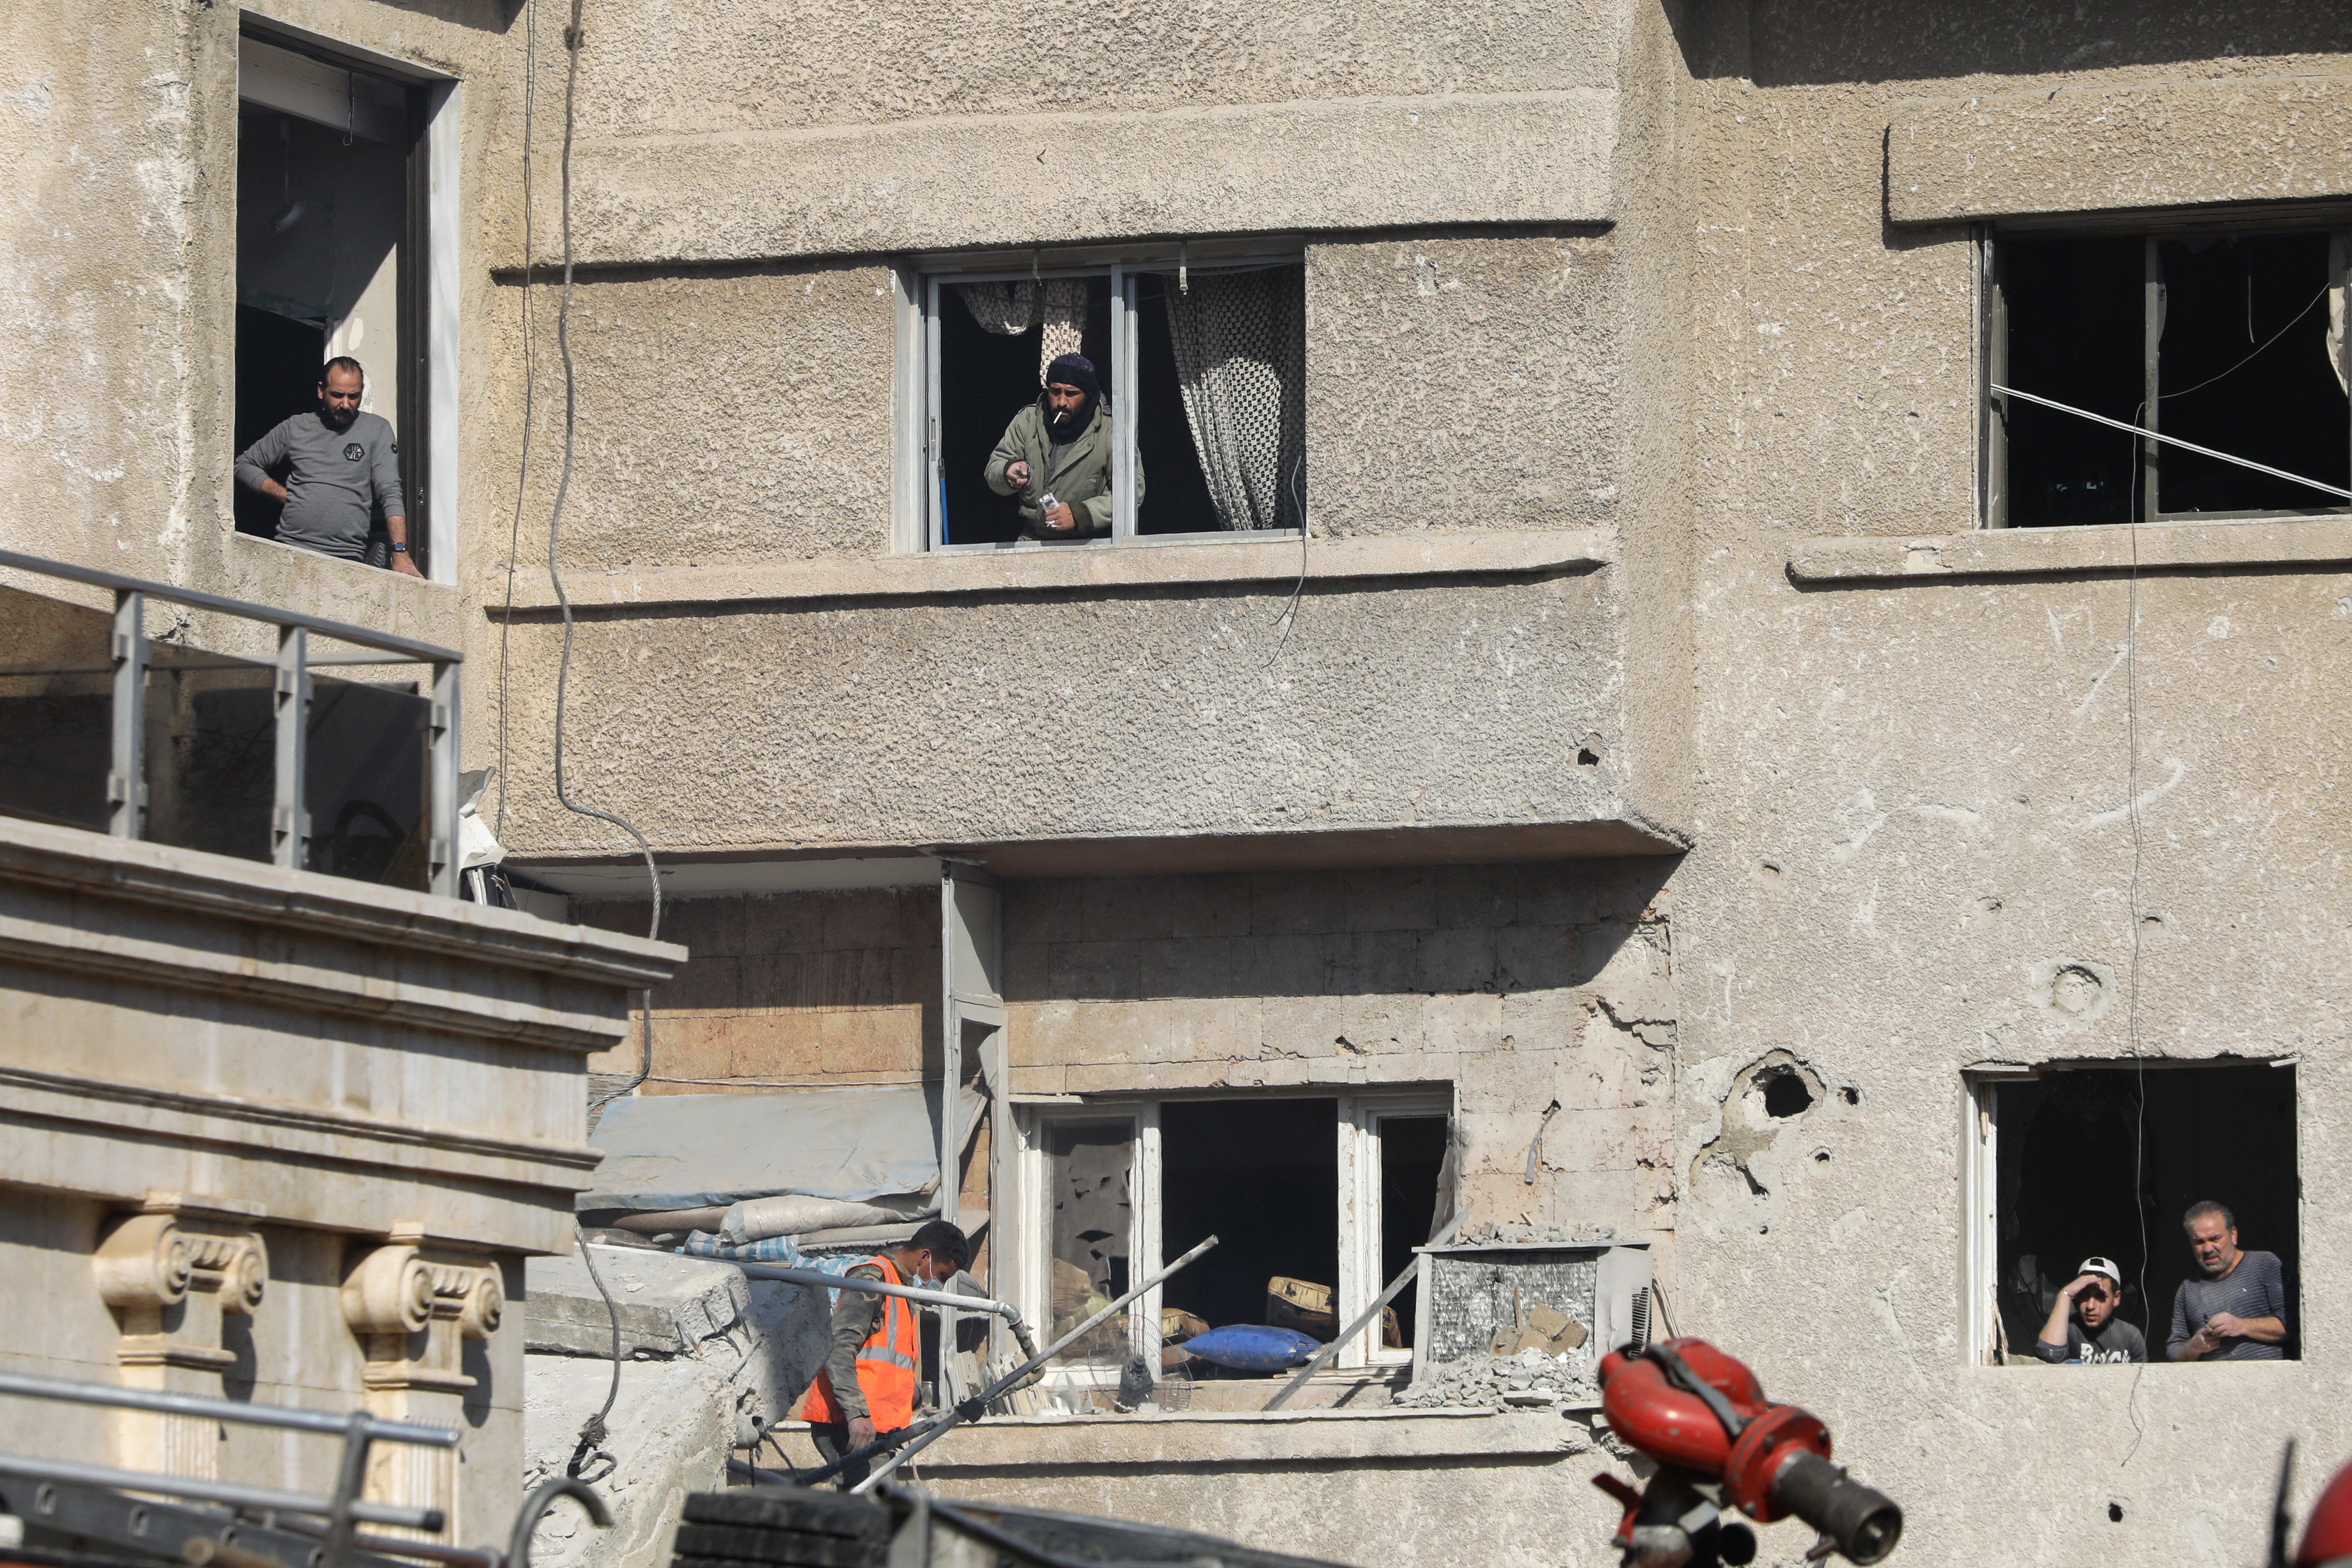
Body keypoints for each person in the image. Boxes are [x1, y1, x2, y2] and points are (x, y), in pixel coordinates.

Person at [796, 1219, 971, 1488]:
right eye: (943, 1275)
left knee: (870, 1511)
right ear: (926, 1256)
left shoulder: (900, 1291)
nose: (941, 1285)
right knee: (870, 1512)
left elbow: (887, 1366)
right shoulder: (874, 1279)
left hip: (875, 1426)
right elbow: (840, 1346)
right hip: (850, 1424)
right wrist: (857, 1415)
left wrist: (913, 1397)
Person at [234, 357, 419, 575]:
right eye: (338, 395)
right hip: (292, 547)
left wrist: (401, 554)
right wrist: (285, 495)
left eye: (354, 396)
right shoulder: (296, 427)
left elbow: (390, 491)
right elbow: (244, 465)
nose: (346, 404)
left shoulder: (377, 430)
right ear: (322, 391)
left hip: (347, 555)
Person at [984, 353, 1141, 540]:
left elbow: (1133, 492)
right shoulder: (1029, 420)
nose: (1062, 402)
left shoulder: (1110, 431)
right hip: (1034, 539)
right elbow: (995, 466)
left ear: (1088, 395)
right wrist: (1007, 471)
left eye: (1072, 394)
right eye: (1055, 391)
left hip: (1089, 544)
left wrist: (1080, 514)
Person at [2166, 1200, 2288, 1361]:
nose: (2208, 1249)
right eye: (2199, 1242)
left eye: (2215, 1239)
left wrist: (2241, 1326)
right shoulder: (2188, 1290)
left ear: (2233, 1235)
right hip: (2213, 1383)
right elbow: (2174, 1351)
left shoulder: (2264, 1264)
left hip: (2267, 1380)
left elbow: (2292, 1325)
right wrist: (2195, 1346)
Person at [2031, 1256, 2145, 1363]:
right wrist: (2065, 1294)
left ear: (2116, 1298)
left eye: (2100, 1297)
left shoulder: (2130, 1336)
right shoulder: (2066, 1330)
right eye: (2084, 1295)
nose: (2090, 1306)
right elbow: (2049, 1355)